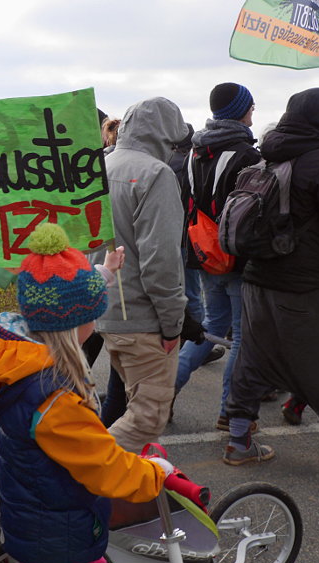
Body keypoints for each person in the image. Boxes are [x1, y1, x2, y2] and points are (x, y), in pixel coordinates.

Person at [0, 222, 171, 563]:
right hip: (62, 538)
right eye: (90, 319)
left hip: (55, 523)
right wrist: (154, 475)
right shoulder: (54, 398)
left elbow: (65, 298)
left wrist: (106, 271)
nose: (95, 326)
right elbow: (102, 464)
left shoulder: (24, 353)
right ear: (70, 326)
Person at [225, 87, 319, 465]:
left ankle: (239, 441)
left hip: (258, 277)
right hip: (306, 284)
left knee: (254, 360)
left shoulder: (266, 156)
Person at [96, 96, 188, 453]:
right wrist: (172, 323)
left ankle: (113, 493)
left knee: (125, 405)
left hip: (106, 306)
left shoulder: (103, 165)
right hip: (142, 316)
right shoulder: (156, 174)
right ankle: (84, 473)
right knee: (148, 417)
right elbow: (160, 259)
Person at [173, 83, 262, 437]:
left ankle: (165, 394)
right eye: (251, 107)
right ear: (241, 111)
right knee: (241, 336)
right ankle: (229, 411)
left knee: (210, 327)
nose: (253, 113)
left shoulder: (197, 152)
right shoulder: (246, 154)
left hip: (204, 252)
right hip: (237, 257)